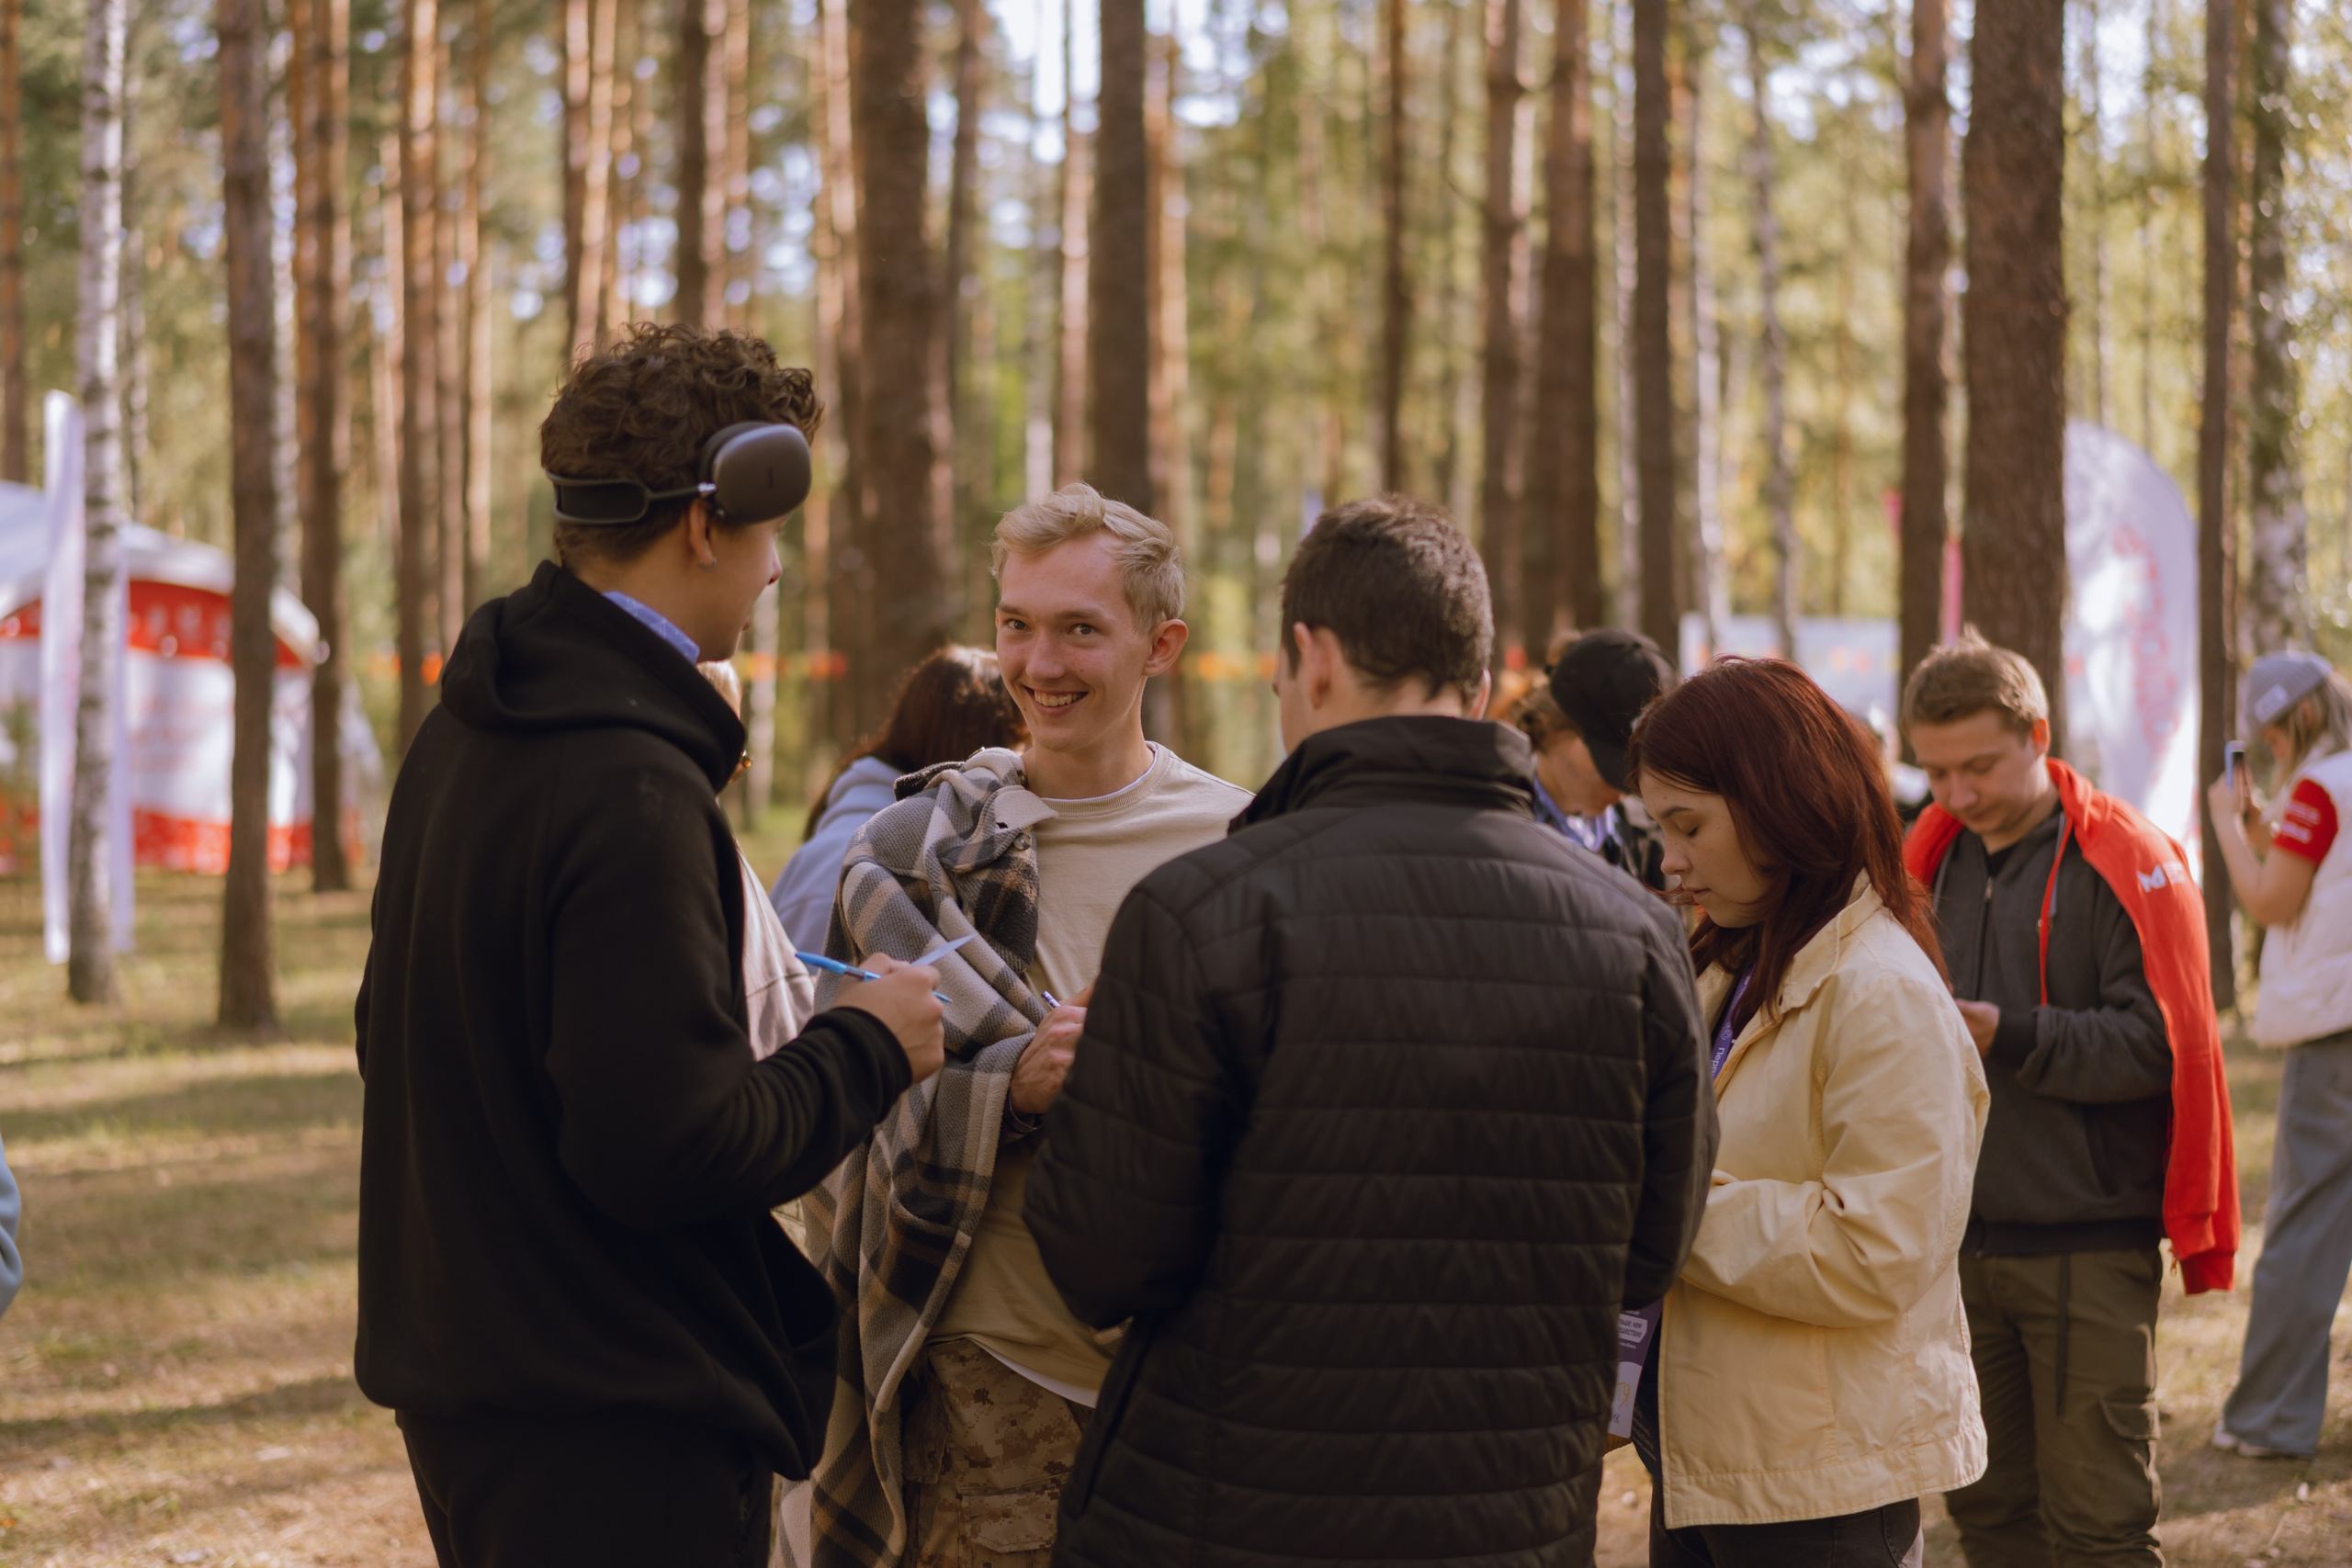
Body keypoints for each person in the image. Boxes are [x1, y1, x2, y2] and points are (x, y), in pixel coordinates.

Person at [1020, 498, 1717, 1567]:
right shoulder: (1634, 936)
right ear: (1479, 684)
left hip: (1229, 1516)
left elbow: (1099, 1256)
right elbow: (1649, 1248)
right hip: (1508, 1519)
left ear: (1312, 656)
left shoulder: (1202, 911)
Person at [356, 323, 946, 1568]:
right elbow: (672, 1149)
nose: (775, 572)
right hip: (612, 1425)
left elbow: (391, 1033)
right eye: (771, 535)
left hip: (482, 1388)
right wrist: (868, 1046)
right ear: (705, 523)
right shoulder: (624, 783)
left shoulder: (472, 725)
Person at [797, 483, 1250, 1568]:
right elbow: (831, 1102)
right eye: (1017, 625)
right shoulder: (915, 852)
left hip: (1195, 1382)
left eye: (1080, 629)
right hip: (983, 1378)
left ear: (1162, 646)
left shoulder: (1238, 842)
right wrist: (1010, 1082)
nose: (1039, 664)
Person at [1628, 656, 1990, 1568]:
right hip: (1717, 1458)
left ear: (1776, 802)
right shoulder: (1735, 968)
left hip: (1820, 1484)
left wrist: (1668, 1207)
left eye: (1687, 826)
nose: (1668, 860)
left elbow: (1879, 1249)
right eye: (1657, 829)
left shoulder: (1880, 994)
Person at [1901, 633, 2238, 1567]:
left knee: (2099, 1529)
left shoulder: (2126, 860)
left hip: (2086, 1242)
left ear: (2037, 735)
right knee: (1989, 1517)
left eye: (1977, 766)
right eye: (1935, 772)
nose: (1957, 795)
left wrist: (2007, 1032)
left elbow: (2159, 1046)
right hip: (1959, 1252)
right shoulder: (1925, 860)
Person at [2208, 652, 2352, 1461]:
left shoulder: (2323, 788)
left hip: (2336, 1037)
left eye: (2268, 733)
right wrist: (2264, 825)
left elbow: (2271, 898)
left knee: (2303, 1228)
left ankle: (2269, 1416)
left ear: (2293, 719)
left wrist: (2228, 825)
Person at [771, 647, 1025, 952]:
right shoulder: (851, 858)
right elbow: (809, 991)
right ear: (976, 744)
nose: (1023, 764)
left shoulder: (926, 842)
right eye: (1019, 744)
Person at [1542, 627, 1674, 889]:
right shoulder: (1496, 819)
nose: (1621, 791)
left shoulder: (1648, 840)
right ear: (1554, 726)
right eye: (1609, 762)